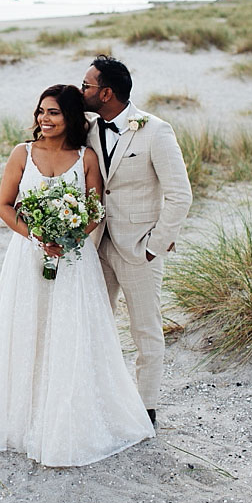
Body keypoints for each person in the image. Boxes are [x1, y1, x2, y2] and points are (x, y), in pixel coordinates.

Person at [0, 84, 154, 467]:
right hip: (26, 258)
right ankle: (20, 412)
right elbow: (3, 205)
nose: (44, 119)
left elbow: (95, 211)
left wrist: (70, 236)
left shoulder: (86, 158)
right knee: (26, 328)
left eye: (54, 113)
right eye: (41, 112)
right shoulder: (21, 153)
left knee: (68, 332)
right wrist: (38, 236)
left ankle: (65, 414)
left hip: (74, 260)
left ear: (72, 118)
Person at [80, 55, 193, 426]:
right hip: (97, 245)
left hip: (138, 249)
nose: (83, 91)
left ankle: (146, 409)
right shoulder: (90, 129)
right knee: (97, 322)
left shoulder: (156, 131)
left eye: (88, 86)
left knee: (145, 328)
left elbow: (180, 195)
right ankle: (102, 397)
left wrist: (155, 245)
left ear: (107, 92)